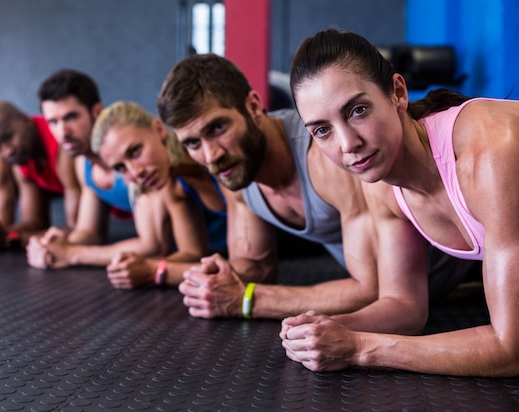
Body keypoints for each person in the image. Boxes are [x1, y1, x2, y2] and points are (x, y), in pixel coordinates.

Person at [156, 53, 475, 320]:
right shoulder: (235, 172)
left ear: (253, 107)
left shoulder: (326, 158)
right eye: (193, 143)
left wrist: (248, 299)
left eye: (218, 127)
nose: (211, 154)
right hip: (413, 305)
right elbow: (256, 268)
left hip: (462, 270)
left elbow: (371, 287)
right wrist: (214, 277)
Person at [282, 28, 519, 377]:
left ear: (398, 92)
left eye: (358, 110)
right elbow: (405, 306)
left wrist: (361, 348)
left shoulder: (490, 153)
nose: (348, 144)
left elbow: (509, 350)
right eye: (322, 130)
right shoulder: (381, 184)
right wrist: (328, 328)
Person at [82, 100, 226, 289]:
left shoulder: (219, 159)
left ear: (158, 129)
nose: (135, 173)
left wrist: (153, 270)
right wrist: (139, 264)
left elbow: (253, 268)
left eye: (135, 151)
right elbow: (192, 253)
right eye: (120, 167)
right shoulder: (173, 183)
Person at [26, 69, 133, 269]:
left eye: (71, 117)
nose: (63, 132)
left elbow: (154, 244)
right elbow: (90, 232)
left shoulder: (131, 155)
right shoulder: (82, 162)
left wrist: (71, 253)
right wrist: (57, 244)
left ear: (97, 112)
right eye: (53, 122)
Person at [0, 100, 81, 251]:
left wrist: (8, 239)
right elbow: (35, 222)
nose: (7, 151)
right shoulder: (22, 159)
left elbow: (79, 233)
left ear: (24, 120)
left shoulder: (61, 144)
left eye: (8, 137)